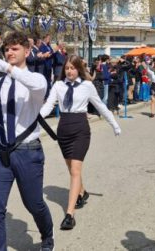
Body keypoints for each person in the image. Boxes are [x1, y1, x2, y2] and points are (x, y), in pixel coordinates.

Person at [0, 31, 54, 251]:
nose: (9, 52)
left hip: (27, 151)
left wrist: (7, 68)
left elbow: (36, 86)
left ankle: (47, 235)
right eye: (7, 49)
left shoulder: (36, 79)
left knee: (34, 203)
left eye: (15, 48)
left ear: (27, 52)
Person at [40, 55, 120, 230]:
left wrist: (114, 124)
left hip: (80, 130)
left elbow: (100, 106)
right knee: (71, 169)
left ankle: (69, 214)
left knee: (75, 170)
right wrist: (34, 116)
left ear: (79, 69)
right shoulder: (58, 85)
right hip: (63, 130)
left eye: (73, 68)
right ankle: (82, 193)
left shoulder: (87, 86)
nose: (69, 71)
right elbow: (48, 106)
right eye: (67, 68)